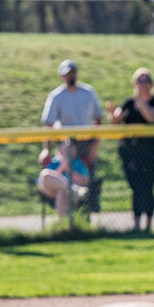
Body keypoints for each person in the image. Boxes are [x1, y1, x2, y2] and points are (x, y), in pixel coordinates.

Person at [106, 68, 154, 232]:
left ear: (151, 84)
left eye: (146, 80)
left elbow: (153, 118)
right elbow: (116, 121)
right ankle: (136, 222)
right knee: (135, 188)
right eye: (139, 81)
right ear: (134, 83)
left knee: (147, 186)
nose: (142, 84)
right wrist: (112, 115)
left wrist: (141, 102)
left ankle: (148, 223)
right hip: (131, 154)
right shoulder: (128, 103)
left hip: (152, 153)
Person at [41, 59, 104, 210]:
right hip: (66, 143)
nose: (70, 77)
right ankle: (71, 199)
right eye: (67, 74)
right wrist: (46, 150)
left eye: (72, 73)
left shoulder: (88, 92)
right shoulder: (56, 96)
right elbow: (48, 124)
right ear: (61, 76)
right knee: (64, 172)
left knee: (88, 176)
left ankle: (88, 208)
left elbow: (98, 119)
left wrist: (95, 144)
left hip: (86, 141)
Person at [37, 140, 90, 220]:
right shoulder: (54, 163)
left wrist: (68, 169)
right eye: (65, 148)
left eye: (69, 148)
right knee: (45, 174)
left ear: (75, 151)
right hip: (52, 192)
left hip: (71, 196)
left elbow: (85, 181)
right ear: (59, 150)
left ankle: (62, 223)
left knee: (62, 190)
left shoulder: (79, 163)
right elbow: (43, 182)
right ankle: (73, 189)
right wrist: (61, 168)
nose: (67, 151)